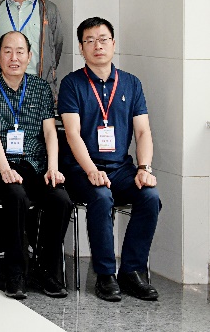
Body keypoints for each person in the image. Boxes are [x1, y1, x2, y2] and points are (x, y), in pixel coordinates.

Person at [59, 17, 161, 302]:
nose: (97, 46)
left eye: (103, 39)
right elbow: (72, 134)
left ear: (113, 44)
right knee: (101, 197)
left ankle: (132, 272)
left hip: (120, 168)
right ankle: (105, 275)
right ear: (81, 48)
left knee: (150, 197)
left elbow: (143, 132)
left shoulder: (131, 83)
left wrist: (144, 168)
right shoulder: (72, 84)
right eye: (90, 41)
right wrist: (91, 170)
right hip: (82, 169)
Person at [0, 31, 72, 299]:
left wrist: (52, 168)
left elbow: (50, 132)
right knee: (16, 195)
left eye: (20, 52)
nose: (14, 58)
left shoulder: (41, 88)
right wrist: (5, 169)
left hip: (34, 165)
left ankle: (46, 270)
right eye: (7, 51)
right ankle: (14, 272)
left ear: (30, 56)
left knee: (61, 200)